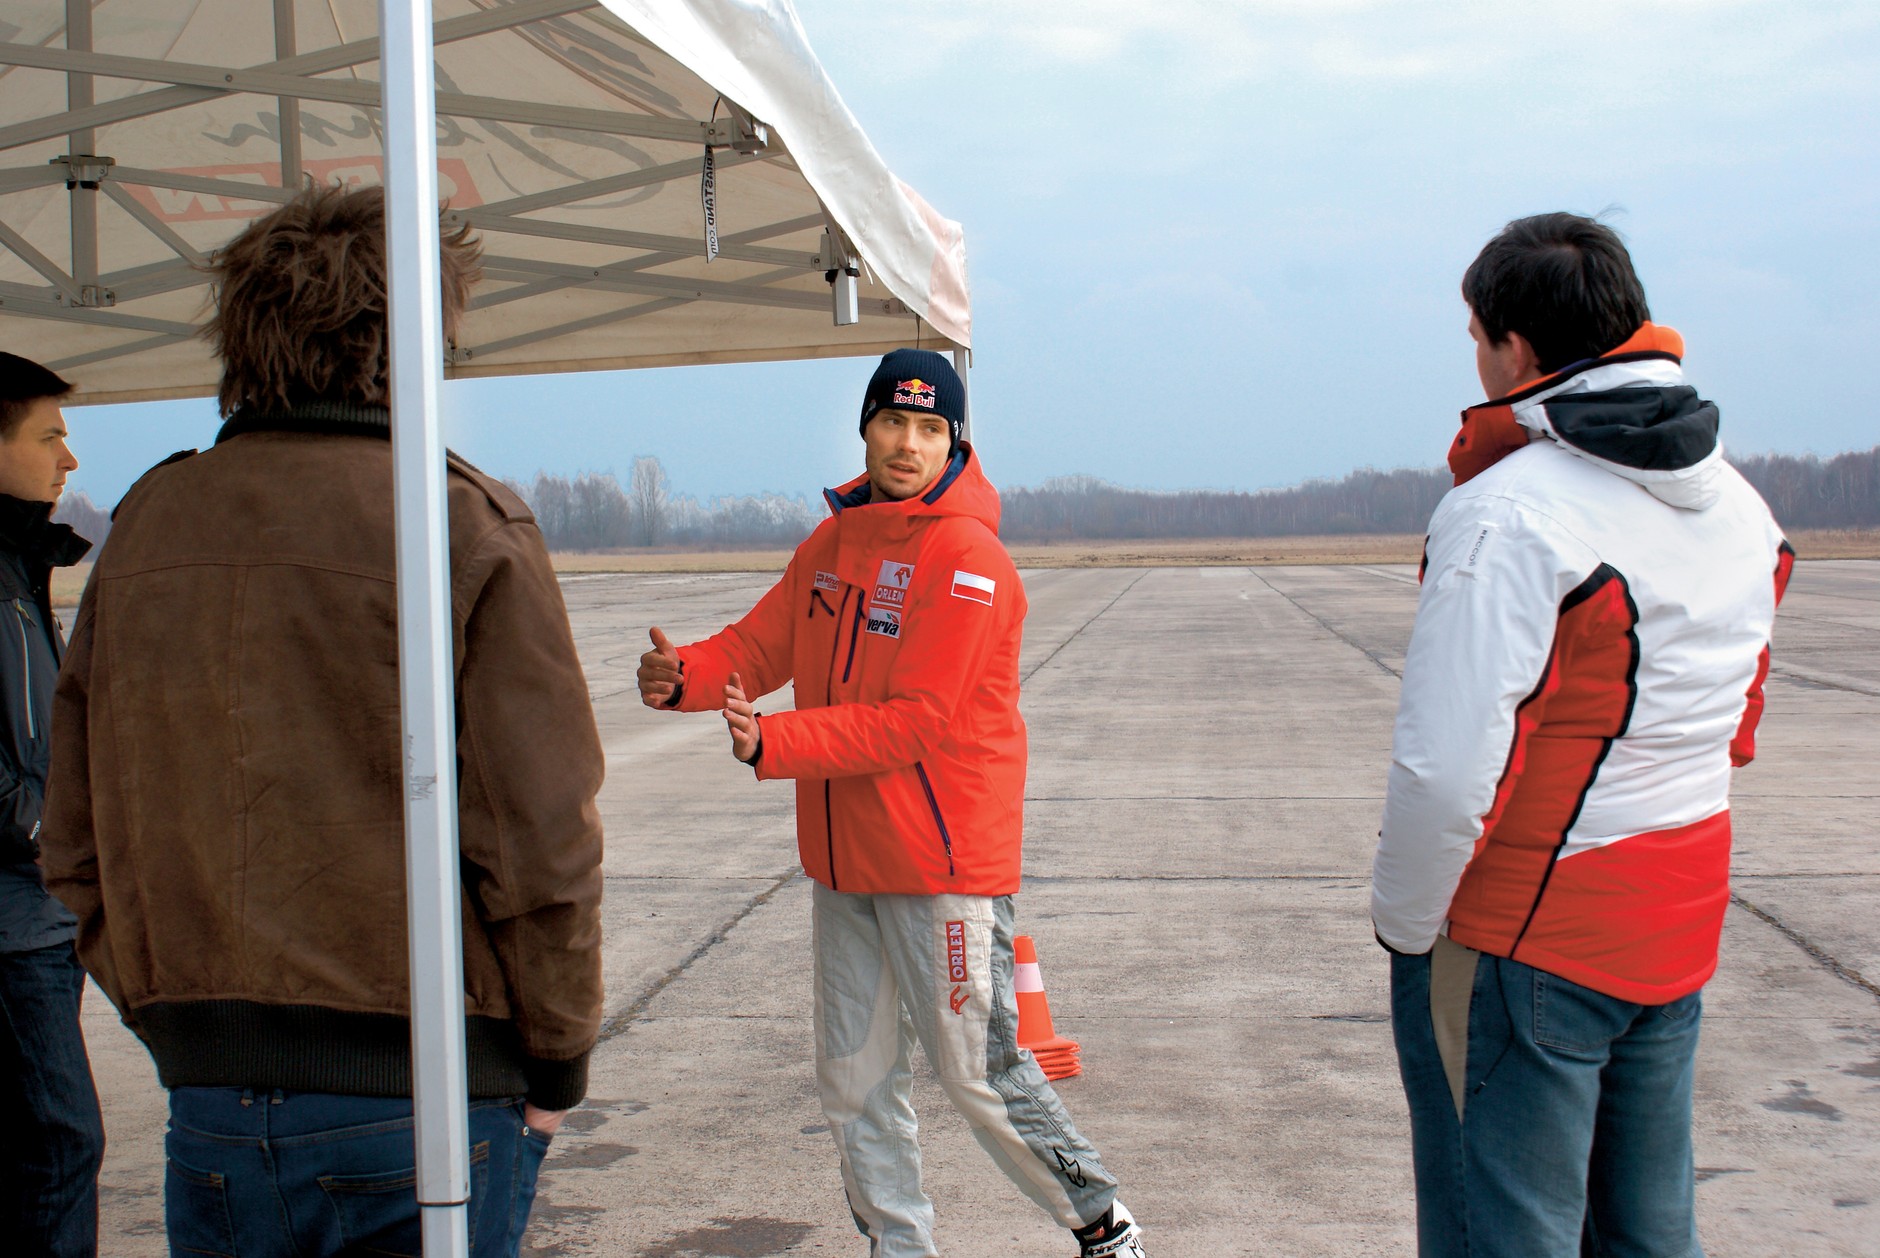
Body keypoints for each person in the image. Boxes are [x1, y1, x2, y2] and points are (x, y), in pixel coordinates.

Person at [40, 185, 606, 1258]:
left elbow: (75, 836)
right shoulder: (461, 520)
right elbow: (542, 841)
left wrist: (179, 1011)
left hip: (209, 1096)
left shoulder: (153, 518)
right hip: (425, 1098)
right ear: (413, 336)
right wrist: (557, 1061)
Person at [635, 349, 1147, 1258]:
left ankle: (1102, 1224)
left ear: (954, 443)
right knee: (855, 1080)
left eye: (929, 428)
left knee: (977, 1075)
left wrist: (775, 742)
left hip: (938, 866)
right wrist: (686, 678)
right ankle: (898, 1248)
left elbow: (914, 725)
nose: (907, 444)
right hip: (846, 869)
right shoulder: (833, 546)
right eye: (892, 422)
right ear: (866, 427)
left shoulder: (969, 559)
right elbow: (757, 645)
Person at [1370, 213, 1792, 1256]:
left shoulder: (1508, 512)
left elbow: (1446, 768)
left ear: (1511, 350)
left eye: (1476, 338)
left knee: (1502, 1231)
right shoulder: (1741, 507)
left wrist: (1406, 928)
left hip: (1526, 932)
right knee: (1648, 1231)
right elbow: (1736, 721)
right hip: (1676, 914)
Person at [0, 353, 103, 1258]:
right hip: (11, 916)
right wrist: (46, 827)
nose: (68, 460)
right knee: (61, 1143)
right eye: (49, 436)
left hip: (38, 910)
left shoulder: (18, 565)